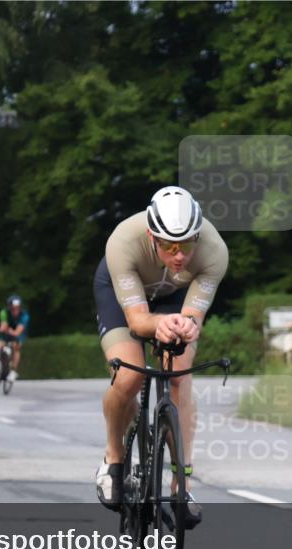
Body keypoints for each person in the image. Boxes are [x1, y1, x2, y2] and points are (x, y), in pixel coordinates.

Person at [93, 186, 228, 527]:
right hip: (123, 291)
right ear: (152, 236)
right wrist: (157, 325)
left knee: (181, 375)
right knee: (129, 374)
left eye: (187, 244)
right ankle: (114, 456)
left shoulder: (214, 253)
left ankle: (182, 483)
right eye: (169, 245)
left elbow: (193, 316)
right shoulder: (123, 241)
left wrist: (188, 326)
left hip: (173, 296)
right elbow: (138, 321)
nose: (179, 254)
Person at [0, 295, 30, 381]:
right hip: (7, 330)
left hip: (17, 331)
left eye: (17, 308)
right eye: (13, 308)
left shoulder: (24, 316)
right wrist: (5, 329)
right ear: (9, 307)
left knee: (16, 347)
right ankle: (1, 363)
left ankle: (13, 371)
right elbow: (3, 326)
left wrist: (10, 331)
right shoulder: (4, 312)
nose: (15, 310)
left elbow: (18, 332)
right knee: (1, 345)